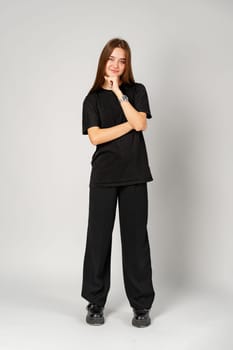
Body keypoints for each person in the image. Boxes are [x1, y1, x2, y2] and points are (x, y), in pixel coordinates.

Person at [81, 38, 155, 328]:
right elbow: (95, 137)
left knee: (136, 241)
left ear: (127, 64)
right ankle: (95, 302)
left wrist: (120, 94)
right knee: (98, 240)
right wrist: (130, 123)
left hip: (135, 174)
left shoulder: (136, 92)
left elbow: (141, 123)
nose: (116, 64)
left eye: (122, 60)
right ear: (104, 60)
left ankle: (141, 306)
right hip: (104, 177)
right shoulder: (92, 99)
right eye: (112, 58)